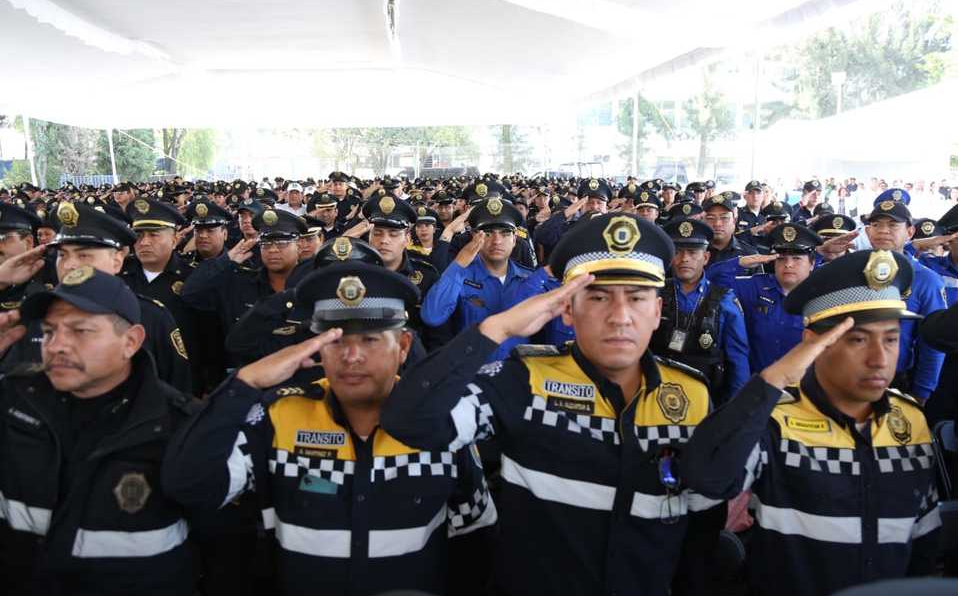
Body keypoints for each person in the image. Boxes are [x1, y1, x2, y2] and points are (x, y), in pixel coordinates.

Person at [382, 213, 723, 596]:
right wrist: (498, 328)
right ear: (566, 309)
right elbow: (408, 420)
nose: (620, 317)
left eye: (637, 298)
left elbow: (701, 536)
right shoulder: (525, 382)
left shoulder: (691, 396)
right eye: (597, 297)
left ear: (657, 312)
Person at [163, 262, 496, 596]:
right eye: (336, 341)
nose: (352, 356)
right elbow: (192, 486)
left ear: (404, 347)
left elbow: (474, 544)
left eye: (370, 339)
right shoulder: (279, 416)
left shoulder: (445, 424)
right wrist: (244, 383)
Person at [683, 249, 941, 596]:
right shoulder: (774, 421)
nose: (880, 359)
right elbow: (705, 476)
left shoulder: (908, 421)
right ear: (813, 343)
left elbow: (924, 541)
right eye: (858, 339)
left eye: (891, 339)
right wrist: (773, 381)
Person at [0, 266, 198, 594]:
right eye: (49, 331)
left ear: (131, 341)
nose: (57, 346)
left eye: (80, 331)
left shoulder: (177, 425)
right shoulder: (14, 399)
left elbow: (222, 550)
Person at [0, 202, 192, 393]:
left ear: (117, 261)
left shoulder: (151, 317)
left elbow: (178, 390)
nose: (69, 266)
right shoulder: (36, 313)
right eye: (62, 255)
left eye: (84, 256)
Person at [421, 197, 534, 361]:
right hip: (472, 375)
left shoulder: (529, 280)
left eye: (505, 233)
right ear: (474, 237)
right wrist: (459, 264)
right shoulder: (460, 276)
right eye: (487, 234)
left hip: (519, 376)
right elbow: (432, 316)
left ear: (515, 239)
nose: (496, 241)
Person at [651, 217, 750, 404]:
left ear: (705, 258)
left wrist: (736, 407)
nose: (685, 259)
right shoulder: (655, 292)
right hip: (658, 390)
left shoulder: (724, 299)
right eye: (678, 252)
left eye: (693, 252)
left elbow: (737, 357)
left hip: (706, 395)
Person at [862, 192, 945, 399]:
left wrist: (922, 393)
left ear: (910, 232)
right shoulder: (852, 272)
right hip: (850, 376)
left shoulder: (926, 280)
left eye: (892, 225)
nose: (883, 231)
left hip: (898, 382)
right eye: (876, 225)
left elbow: (933, 343)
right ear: (867, 231)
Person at [182, 207, 308, 339]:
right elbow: (190, 294)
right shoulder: (240, 283)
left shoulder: (313, 285)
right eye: (266, 243)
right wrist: (226, 260)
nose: (273, 250)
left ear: (299, 246)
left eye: (282, 243)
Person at [703, 191, 757, 277]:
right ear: (703, 221)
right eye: (710, 218)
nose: (717, 223)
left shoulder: (749, 254)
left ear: (734, 221)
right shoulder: (695, 253)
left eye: (724, 218)